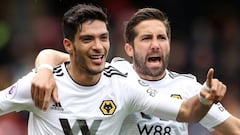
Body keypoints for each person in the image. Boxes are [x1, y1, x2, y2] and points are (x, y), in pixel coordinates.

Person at [0, 4, 226, 135]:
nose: (98, 47)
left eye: (103, 38)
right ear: (69, 45)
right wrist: (45, 69)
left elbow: (188, 112)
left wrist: (205, 98)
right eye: (88, 39)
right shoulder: (40, 85)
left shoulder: (123, 84)